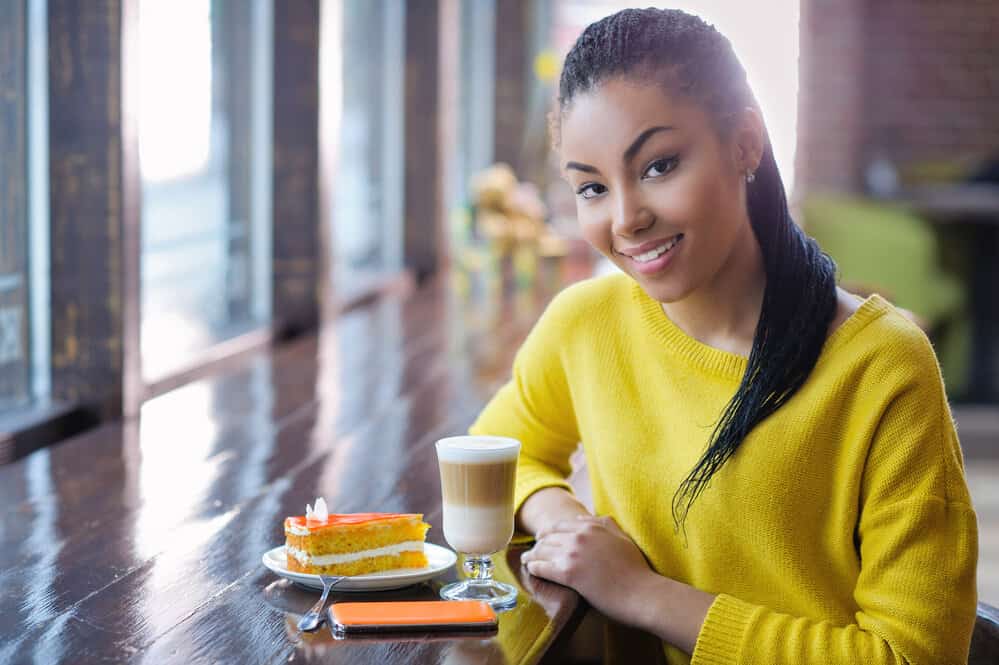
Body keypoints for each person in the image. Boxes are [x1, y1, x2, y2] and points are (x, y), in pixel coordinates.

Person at [469, 8, 978, 665]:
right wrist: (566, 522)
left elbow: (913, 655)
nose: (625, 218)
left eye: (657, 165)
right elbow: (492, 449)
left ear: (744, 141)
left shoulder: (881, 365)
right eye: (591, 187)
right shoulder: (585, 321)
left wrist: (642, 594)